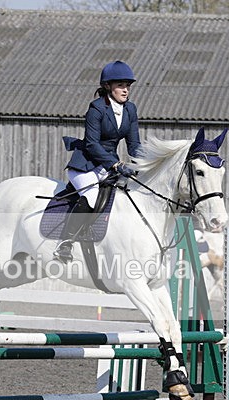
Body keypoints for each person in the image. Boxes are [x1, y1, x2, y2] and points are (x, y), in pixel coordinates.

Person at [56, 60, 141, 263]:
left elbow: (134, 144)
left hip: (108, 165)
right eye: (120, 85)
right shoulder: (96, 108)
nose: (125, 89)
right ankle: (64, 243)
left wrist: (143, 164)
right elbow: (93, 145)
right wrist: (116, 164)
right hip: (85, 164)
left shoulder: (130, 109)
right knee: (92, 195)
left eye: (127, 85)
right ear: (107, 86)